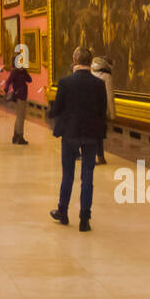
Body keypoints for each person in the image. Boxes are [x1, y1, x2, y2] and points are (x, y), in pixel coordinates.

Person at [48, 46, 108, 232]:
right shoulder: (98, 84)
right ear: (90, 62)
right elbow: (102, 110)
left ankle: (63, 211)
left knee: (68, 174)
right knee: (87, 177)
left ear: (75, 60)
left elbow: (57, 109)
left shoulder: (66, 83)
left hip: (70, 134)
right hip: (91, 134)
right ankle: (84, 218)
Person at [89, 55, 115, 163]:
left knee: (91, 132)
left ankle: (91, 155)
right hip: (100, 108)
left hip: (89, 107)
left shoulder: (91, 71)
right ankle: (100, 156)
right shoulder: (106, 76)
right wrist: (112, 113)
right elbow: (109, 96)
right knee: (99, 133)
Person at [3, 60, 32, 145]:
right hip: (19, 96)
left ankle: (15, 136)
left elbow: (30, 80)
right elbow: (8, 81)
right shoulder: (15, 71)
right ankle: (20, 137)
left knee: (19, 116)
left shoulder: (22, 71)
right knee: (20, 117)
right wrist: (5, 90)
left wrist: (24, 71)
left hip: (23, 95)